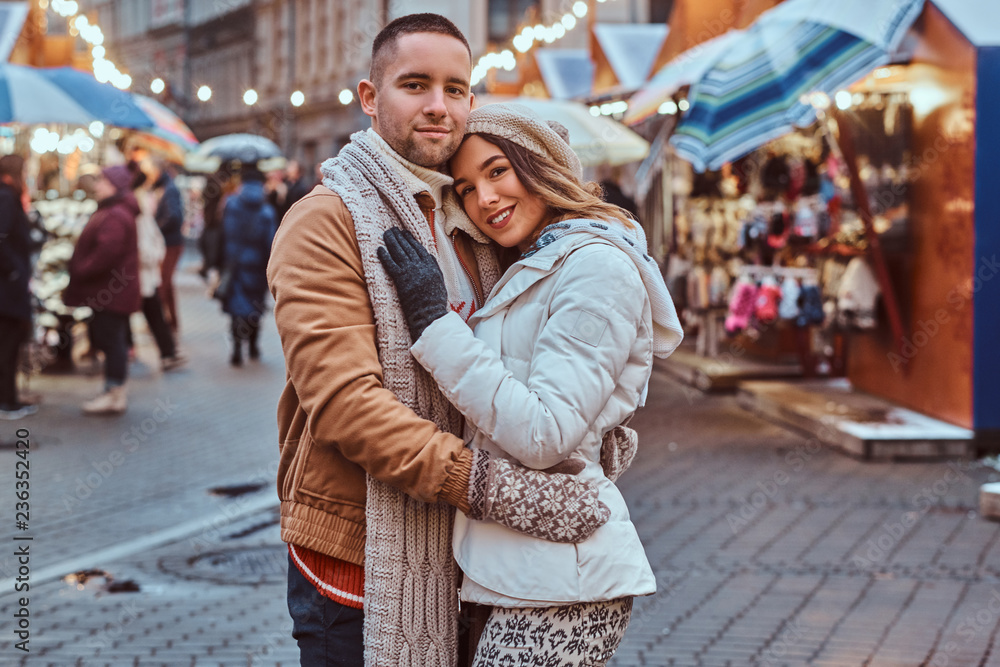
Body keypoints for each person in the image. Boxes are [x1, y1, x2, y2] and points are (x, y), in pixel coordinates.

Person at [266, 14, 611, 667]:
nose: (437, 106)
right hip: (356, 551)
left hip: (469, 553)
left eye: (456, 89)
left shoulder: (475, 223)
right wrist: (483, 482)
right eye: (415, 85)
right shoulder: (326, 221)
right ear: (371, 98)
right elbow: (345, 404)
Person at [377, 103, 685, 665]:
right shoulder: (537, 263)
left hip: (564, 588)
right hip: (517, 572)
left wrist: (434, 323)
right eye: (466, 188)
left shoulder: (596, 268)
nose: (485, 199)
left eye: (498, 171)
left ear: (540, 166)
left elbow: (545, 432)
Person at [63, 165, 141, 415]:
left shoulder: (116, 214)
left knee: (112, 340)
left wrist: (81, 268)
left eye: (102, 181)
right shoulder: (115, 211)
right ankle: (113, 391)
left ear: (114, 185)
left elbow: (107, 253)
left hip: (113, 292)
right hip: (112, 291)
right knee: (110, 338)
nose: (97, 186)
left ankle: (114, 393)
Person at [129, 161, 185, 371]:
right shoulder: (157, 191)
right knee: (158, 293)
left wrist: (159, 228)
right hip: (156, 254)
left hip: (163, 248)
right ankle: (167, 345)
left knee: (162, 288)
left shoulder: (166, 191)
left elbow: (172, 217)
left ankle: (167, 338)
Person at [220, 167, 277, 366]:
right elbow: (271, 242)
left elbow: (223, 234)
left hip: (235, 263)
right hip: (258, 267)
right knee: (254, 306)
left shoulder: (231, 204)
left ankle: (236, 348)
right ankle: (253, 346)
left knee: (237, 306)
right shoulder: (267, 211)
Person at [0, 155, 38, 420]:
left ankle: (8, 398)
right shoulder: (5, 197)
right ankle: (7, 400)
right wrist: (12, 271)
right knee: (8, 344)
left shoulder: (8, 196)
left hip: (9, 285)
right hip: (6, 289)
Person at [152, 161, 184, 333]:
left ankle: (161, 325)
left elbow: (173, 216)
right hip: (171, 242)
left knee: (163, 283)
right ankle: (172, 322)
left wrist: (157, 228)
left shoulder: (169, 189)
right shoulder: (166, 187)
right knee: (167, 283)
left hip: (170, 243)